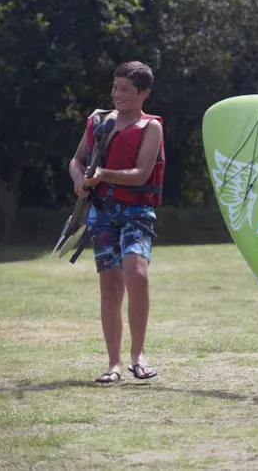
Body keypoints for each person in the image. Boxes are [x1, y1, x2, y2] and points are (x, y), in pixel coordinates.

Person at [69, 61, 165, 385]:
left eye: (125, 89)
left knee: (137, 274)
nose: (118, 94)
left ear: (143, 93)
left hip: (137, 212)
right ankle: (114, 363)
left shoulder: (151, 127)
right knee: (110, 288)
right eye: (115, 87)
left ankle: (139, 355)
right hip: (103, 213)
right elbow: (77, 160)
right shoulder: (98, 121)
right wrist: (79, 179)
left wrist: (103, 175)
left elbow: (140, 174)